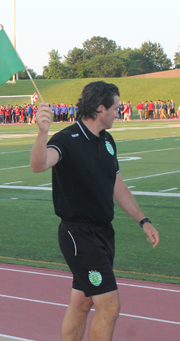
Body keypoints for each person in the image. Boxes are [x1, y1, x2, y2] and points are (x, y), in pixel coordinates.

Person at [30, 81, 160, 341]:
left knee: (82, 303)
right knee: (110, 307)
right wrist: (42, 133)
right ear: (101, 109)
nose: (118, 112)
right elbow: (39, 164)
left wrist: (143, 220)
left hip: (103, 234)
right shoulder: (66, 139)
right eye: (116, 107)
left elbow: (117, 184)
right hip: (79, 235)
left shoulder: (108, 140)